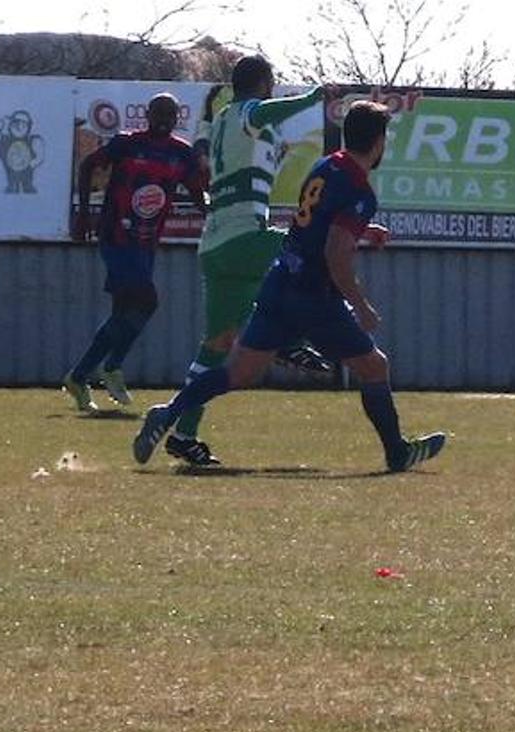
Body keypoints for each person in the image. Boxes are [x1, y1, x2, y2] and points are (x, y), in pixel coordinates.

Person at [132, 101, 446, 473]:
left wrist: (360, 230)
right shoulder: (360, 191)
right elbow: (335, 254)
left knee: (238, 372)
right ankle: (397, 452)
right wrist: (360, 305)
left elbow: (315, 223)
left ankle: (169, 411)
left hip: (280, 282)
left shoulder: (325, 166)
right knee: (375, 367)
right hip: (314, 297)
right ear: (378, 143)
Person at [164, 57, 333, 465]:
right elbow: (266, 112)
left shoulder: (222, 118)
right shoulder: (247, 113)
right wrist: (313, 97)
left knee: (216, 346)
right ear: (263, 83)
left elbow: (204, 146)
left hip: (213, 246)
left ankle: (183, 435)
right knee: (310, 255)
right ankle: (288, 342)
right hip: (244, 235)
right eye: (271, 83)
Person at [63, 93, 207, 412]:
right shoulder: (128, 144)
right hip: (116, 235)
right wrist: (84, 212)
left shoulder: (181, 154)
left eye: (170, 114)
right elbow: (88, 165)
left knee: (124, 312)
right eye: (159, 113)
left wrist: (217, 215)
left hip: (145, 243)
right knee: (147, 300)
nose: (164, 119)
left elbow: (198, 194)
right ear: (147, 114)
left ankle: (79, 376)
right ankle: (111, 366)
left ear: (177, 117)